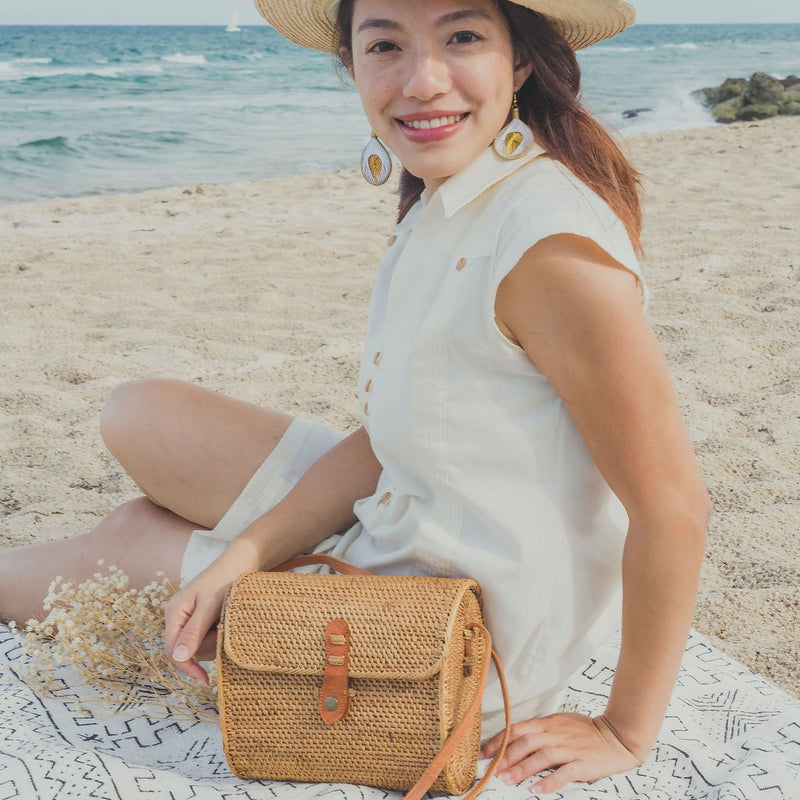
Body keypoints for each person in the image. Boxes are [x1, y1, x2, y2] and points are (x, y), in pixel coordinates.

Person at [0, 0, 710, 794]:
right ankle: (193, 551)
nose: (422, 80)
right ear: (351, 66)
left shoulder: (546, 245)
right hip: (417, 501)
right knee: (141, 413)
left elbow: (673, 504)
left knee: (124, 540)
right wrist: (245, 553)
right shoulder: (461, 195)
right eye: (385, 45)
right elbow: (389, 436)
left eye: (463, 37)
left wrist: (624, 728)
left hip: (446, 626)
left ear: (519, 61)